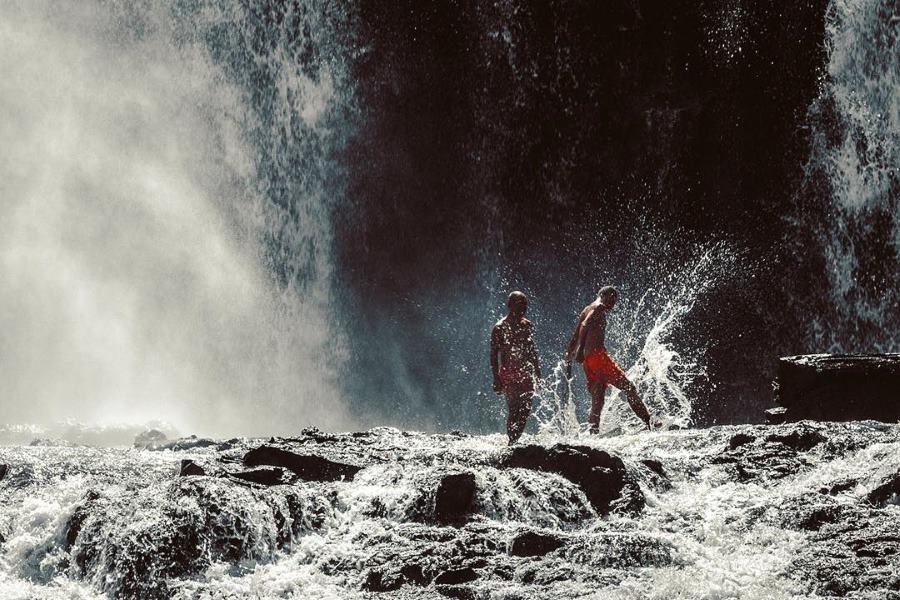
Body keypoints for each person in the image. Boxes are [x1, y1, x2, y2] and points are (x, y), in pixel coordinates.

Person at [564, 286, 654, 432]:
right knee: (629, 388)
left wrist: (569, 352)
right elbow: (586, 324)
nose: (613, 303)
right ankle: (650, 423)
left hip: (589, 362)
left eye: (615, 301)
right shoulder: (599, 307)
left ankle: (593, 433)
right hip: (598, 358)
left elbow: (576, 334)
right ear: (603, 295)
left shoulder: (587, 308)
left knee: (597, 399)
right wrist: (579, 350)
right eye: (612, 299)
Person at [490, 291, 541, 444]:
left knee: (525, 409)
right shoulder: (499, 328)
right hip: (508, 373)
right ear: (510, 305)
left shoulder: (527, 325)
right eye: (519, 305)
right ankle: (512, 443)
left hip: (525, 371)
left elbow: (531, 350)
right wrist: (496, 378)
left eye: (525, 305)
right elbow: (493, 355)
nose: (522, 309)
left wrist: (537, 370)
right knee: (514, 408)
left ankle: (514, 440)